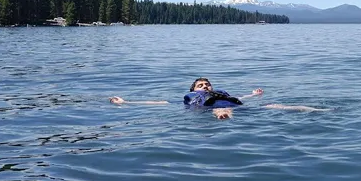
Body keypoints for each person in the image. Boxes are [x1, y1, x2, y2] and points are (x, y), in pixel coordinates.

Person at [109, 77, 329, 119]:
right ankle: (223, 116)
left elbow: (239, 97)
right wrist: (126, 102)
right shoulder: (193, 99)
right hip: (210, 109)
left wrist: (254, 95)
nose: (205, 86)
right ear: (194, 89)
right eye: (201, 85)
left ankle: (314, 110)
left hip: (236, 106)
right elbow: (159, 103)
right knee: (219, 110)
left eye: (207, 84)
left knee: (275, 105)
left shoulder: (222, 93)